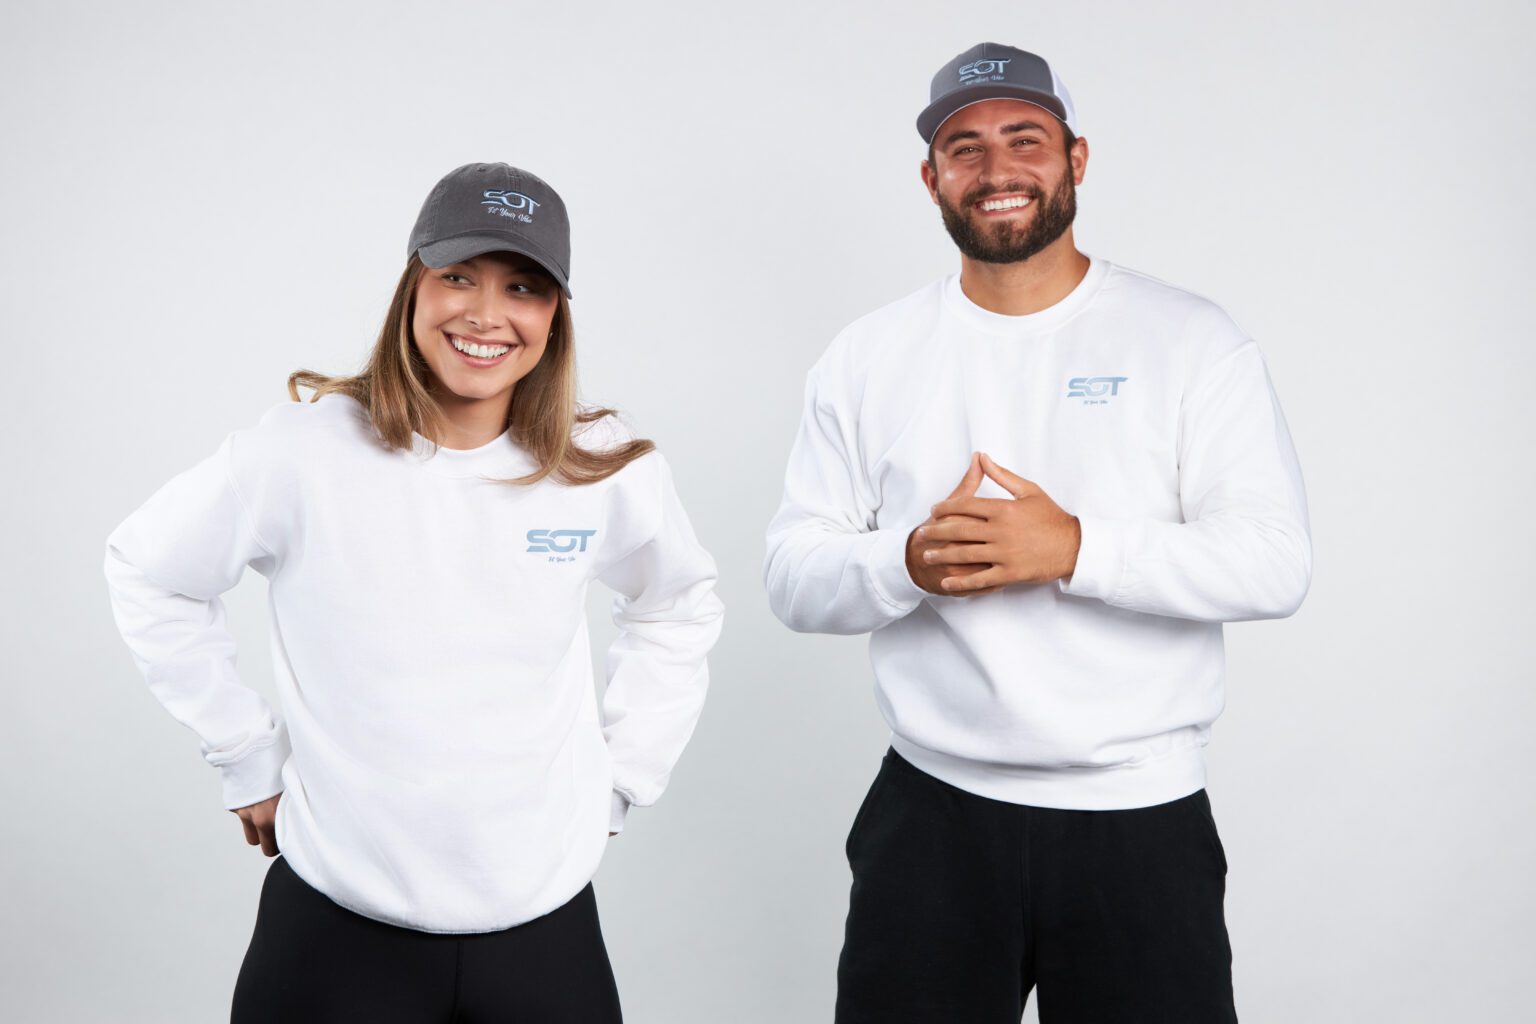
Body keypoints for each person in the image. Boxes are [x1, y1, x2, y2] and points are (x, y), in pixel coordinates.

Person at [763, 43, 1311, 1023]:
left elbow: (1275, 563)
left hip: (1138, 820)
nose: (998, 168)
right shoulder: (870, 355)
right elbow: (793, 576)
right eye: (964, 148)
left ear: (1077, 158)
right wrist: (908, 561)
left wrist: (1073, 551)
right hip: (930, 816)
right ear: (931, 178)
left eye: (1027, 139)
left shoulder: (1188, 340)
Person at [103, 162, 724, 1022]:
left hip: (542, 923)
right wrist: (243, 755)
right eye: (458, 276)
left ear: (555, 316)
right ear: (413, 288)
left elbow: (677, 606)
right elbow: (148, 568)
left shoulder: (602, 466)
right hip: (336, 927)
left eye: (524, 287)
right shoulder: (301, 453)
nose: (485, 313)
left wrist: (622, 779)